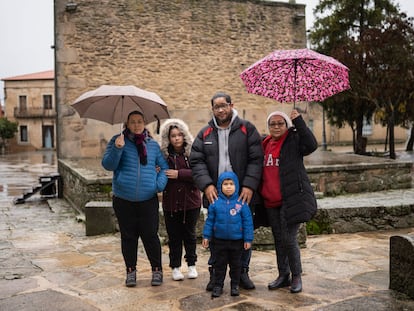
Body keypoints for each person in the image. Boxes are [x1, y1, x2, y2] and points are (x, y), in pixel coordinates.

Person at [190, 91, 263, 291]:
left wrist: (249, 185)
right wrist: (206, 185)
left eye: (224, 105)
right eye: (216, 107)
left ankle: (242, 273)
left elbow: (257, 159)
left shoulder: (247, 129)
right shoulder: (205, 133)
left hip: (242, 195)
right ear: (212, 109)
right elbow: (196, 161)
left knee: (242, 235)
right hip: (215, 196)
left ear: (231, 105)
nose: (220, 110)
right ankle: (215, 275)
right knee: (214, 236)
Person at [101, 110, 169, 287]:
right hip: (124, 199)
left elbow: (163, 167)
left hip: (148, 199)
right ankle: (130, 271)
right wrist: (117, 149)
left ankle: (157, 270)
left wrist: (158, 185)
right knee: (128, 237)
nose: (137, 125)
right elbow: (108, 165)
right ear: (127, 124)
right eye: (133, 122)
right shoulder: (118, 141)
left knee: (150, 236)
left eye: (140, 121)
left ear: (144, 123)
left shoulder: (152, 145)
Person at [259, 109, 318, 294]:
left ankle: (296, 275)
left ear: (286, 125)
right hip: (270, 199)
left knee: (289, 238)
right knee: (278, 239)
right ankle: (283, 275)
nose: (276, 127)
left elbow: (312, 145)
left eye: (280, 123)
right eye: (272, 124)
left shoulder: (293, 140)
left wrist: (298, 121)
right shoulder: (265, 143)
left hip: (290, 198)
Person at [159, 119, 201, 281]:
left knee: (190, 235)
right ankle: (175, 267)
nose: (176, 138)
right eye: (173, 136)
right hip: (171, 204)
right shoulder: (164, 157)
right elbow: (159, 172)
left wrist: (180, 174)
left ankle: (191, 264)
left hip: (191, 202)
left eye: (179, 135)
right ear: (168, 138)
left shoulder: (193, 154)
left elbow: (199, 174)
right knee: (174, 237)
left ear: (184, 136)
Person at [202, 171, 254, 298]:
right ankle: (218, 285)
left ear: (236, 186)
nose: (229, 187)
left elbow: (248, 222)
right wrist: (206, 236)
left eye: (231, 184)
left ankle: (235, 285)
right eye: (225, 184)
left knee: (236, 265)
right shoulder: (215, 203)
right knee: (219, 265)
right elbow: (209, 221)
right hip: (219, 241)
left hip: (237, 241)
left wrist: (248, 239)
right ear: (220, 186)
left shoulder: (242, 204)